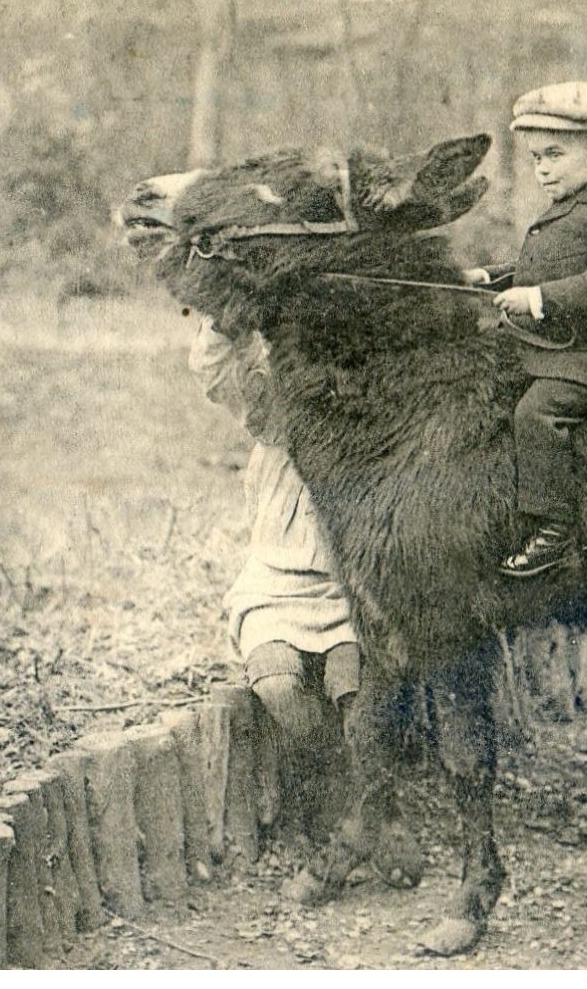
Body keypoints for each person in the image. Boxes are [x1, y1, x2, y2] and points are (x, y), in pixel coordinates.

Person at [464, 82, 587, 578]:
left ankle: (553, 529)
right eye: (535, 157)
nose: (541, 168)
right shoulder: (570, 203)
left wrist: (538, 300)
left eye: (553, 155)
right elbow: (539, 264)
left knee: (536, 413)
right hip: (551, 346)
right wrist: (491, 276)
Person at [188, 319, 358, 830]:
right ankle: (338, 796)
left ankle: (373, 810)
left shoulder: (370, 408)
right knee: (280, 686)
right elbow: (217, 373)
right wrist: (226, 316)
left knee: (353, 689)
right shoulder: (277, 408)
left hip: (348, 586)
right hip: (274, 584)